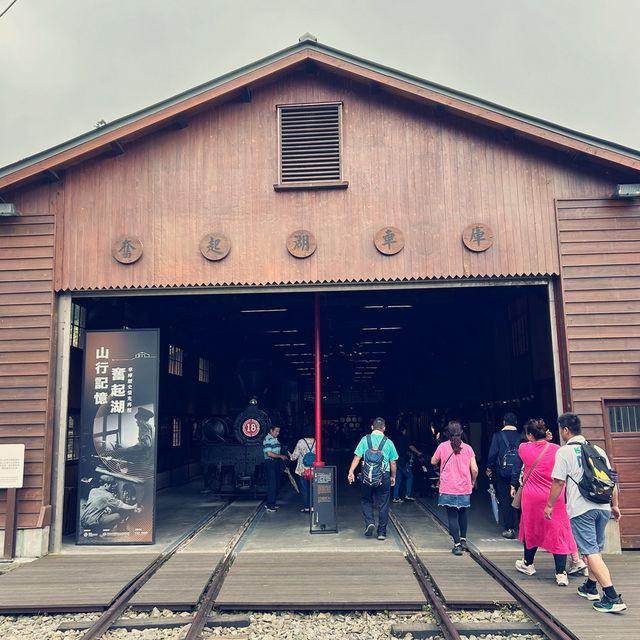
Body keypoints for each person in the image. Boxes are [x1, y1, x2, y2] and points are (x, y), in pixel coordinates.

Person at [545, 413, 626, 612]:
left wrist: (549, 505)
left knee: (590, 552)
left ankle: (612, 597)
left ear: (565, 430)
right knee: (595, 550)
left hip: (582, 509)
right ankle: (590, 587)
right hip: (602, 507)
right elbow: (611, 479)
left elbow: (558, 482)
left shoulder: (565, 452)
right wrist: (615, 505)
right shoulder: (598, 449)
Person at [509, 419, 577, 586]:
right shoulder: (557, 449)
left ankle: (528, 564)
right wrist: (547, 440)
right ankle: (561, 573)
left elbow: (525, 445)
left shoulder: (524, 448)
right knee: (557, 532)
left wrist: (541, 439)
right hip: (555, 496)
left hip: (531, 497)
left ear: (530, 435)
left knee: (531, 529)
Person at [431, 421, 478, 555]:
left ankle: (457, 544)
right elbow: (474, 469)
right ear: (462, 433)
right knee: (463, 513)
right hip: (464, 486)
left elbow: (433, 461)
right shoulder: (468, 448)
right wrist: (473, 481)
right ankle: (463, 540)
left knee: (452, 515)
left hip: (448, 487)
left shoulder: (442, 447)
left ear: (447, 433)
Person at [347, 417, 398, 541]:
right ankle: (381, 532)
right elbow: (393, 463)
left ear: (372, 428)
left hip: (366, 476)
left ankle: (370, 522)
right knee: (383, 504)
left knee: (366, 500)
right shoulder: (389, 442)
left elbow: (357, 458)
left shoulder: (365, 440)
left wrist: (351, 472)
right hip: (384, 476)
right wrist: (393, 476)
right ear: (384, 428)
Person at [486, 412, 520, 539]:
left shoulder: (498, 436)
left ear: (504, 422)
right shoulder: (520, 436)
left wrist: (489, 467)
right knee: (520, 499)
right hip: (519, 473)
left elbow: (493, 453)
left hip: (503, 472)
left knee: (506, 500)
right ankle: (522, 527)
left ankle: (509, 528)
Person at [392, 423, 423, 503]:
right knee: (410, 476)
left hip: (395, 461)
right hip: (402, 461)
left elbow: (400, 448)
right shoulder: (404, 438)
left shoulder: (395, 438)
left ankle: (395, 497)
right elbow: (411, 447)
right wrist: (418, 452)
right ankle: (408, 495)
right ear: (404, 430)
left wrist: (407, 453)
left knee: (398, 478)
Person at [263, 425, 288, 512]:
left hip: (275, 462)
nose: (278, 433)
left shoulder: (274, 438)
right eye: (276, 431)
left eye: (278, 432)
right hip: (271, 462)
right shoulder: (268, 439)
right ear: (271, 430)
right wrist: (281, 456)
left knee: (276, 483)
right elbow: (269, 453)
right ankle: (270, 506)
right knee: (273, 484)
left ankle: (271, 502)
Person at [289, 435, 316, 512]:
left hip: (303, 470)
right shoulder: (316, 442)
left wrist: (289, 454)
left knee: (304, 488)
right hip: (313, 469)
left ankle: (306, 507)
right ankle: (313, 506)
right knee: (313, 488)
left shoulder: (301, 442)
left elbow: (294, 456)